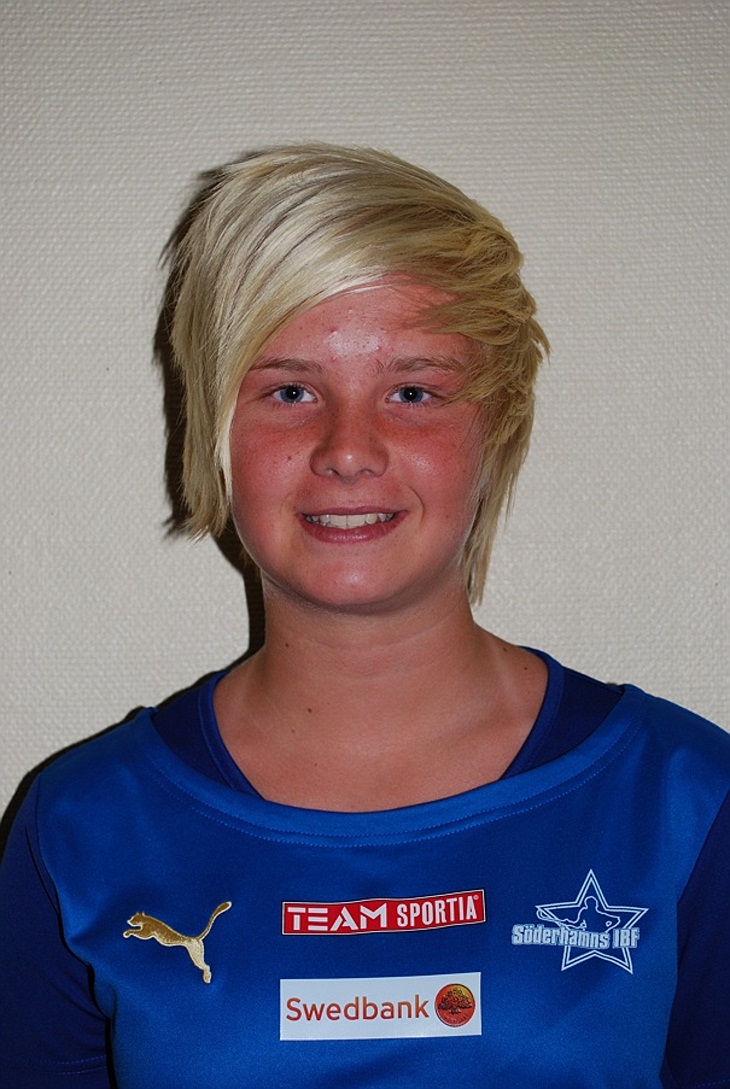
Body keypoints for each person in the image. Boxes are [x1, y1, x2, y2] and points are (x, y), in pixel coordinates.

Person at [0, 144, 728, 1088]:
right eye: (290, 390)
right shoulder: (81, 827)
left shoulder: (683, 802)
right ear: (214, 424)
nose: (348, 449)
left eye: (413, 391)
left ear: (496, 425)